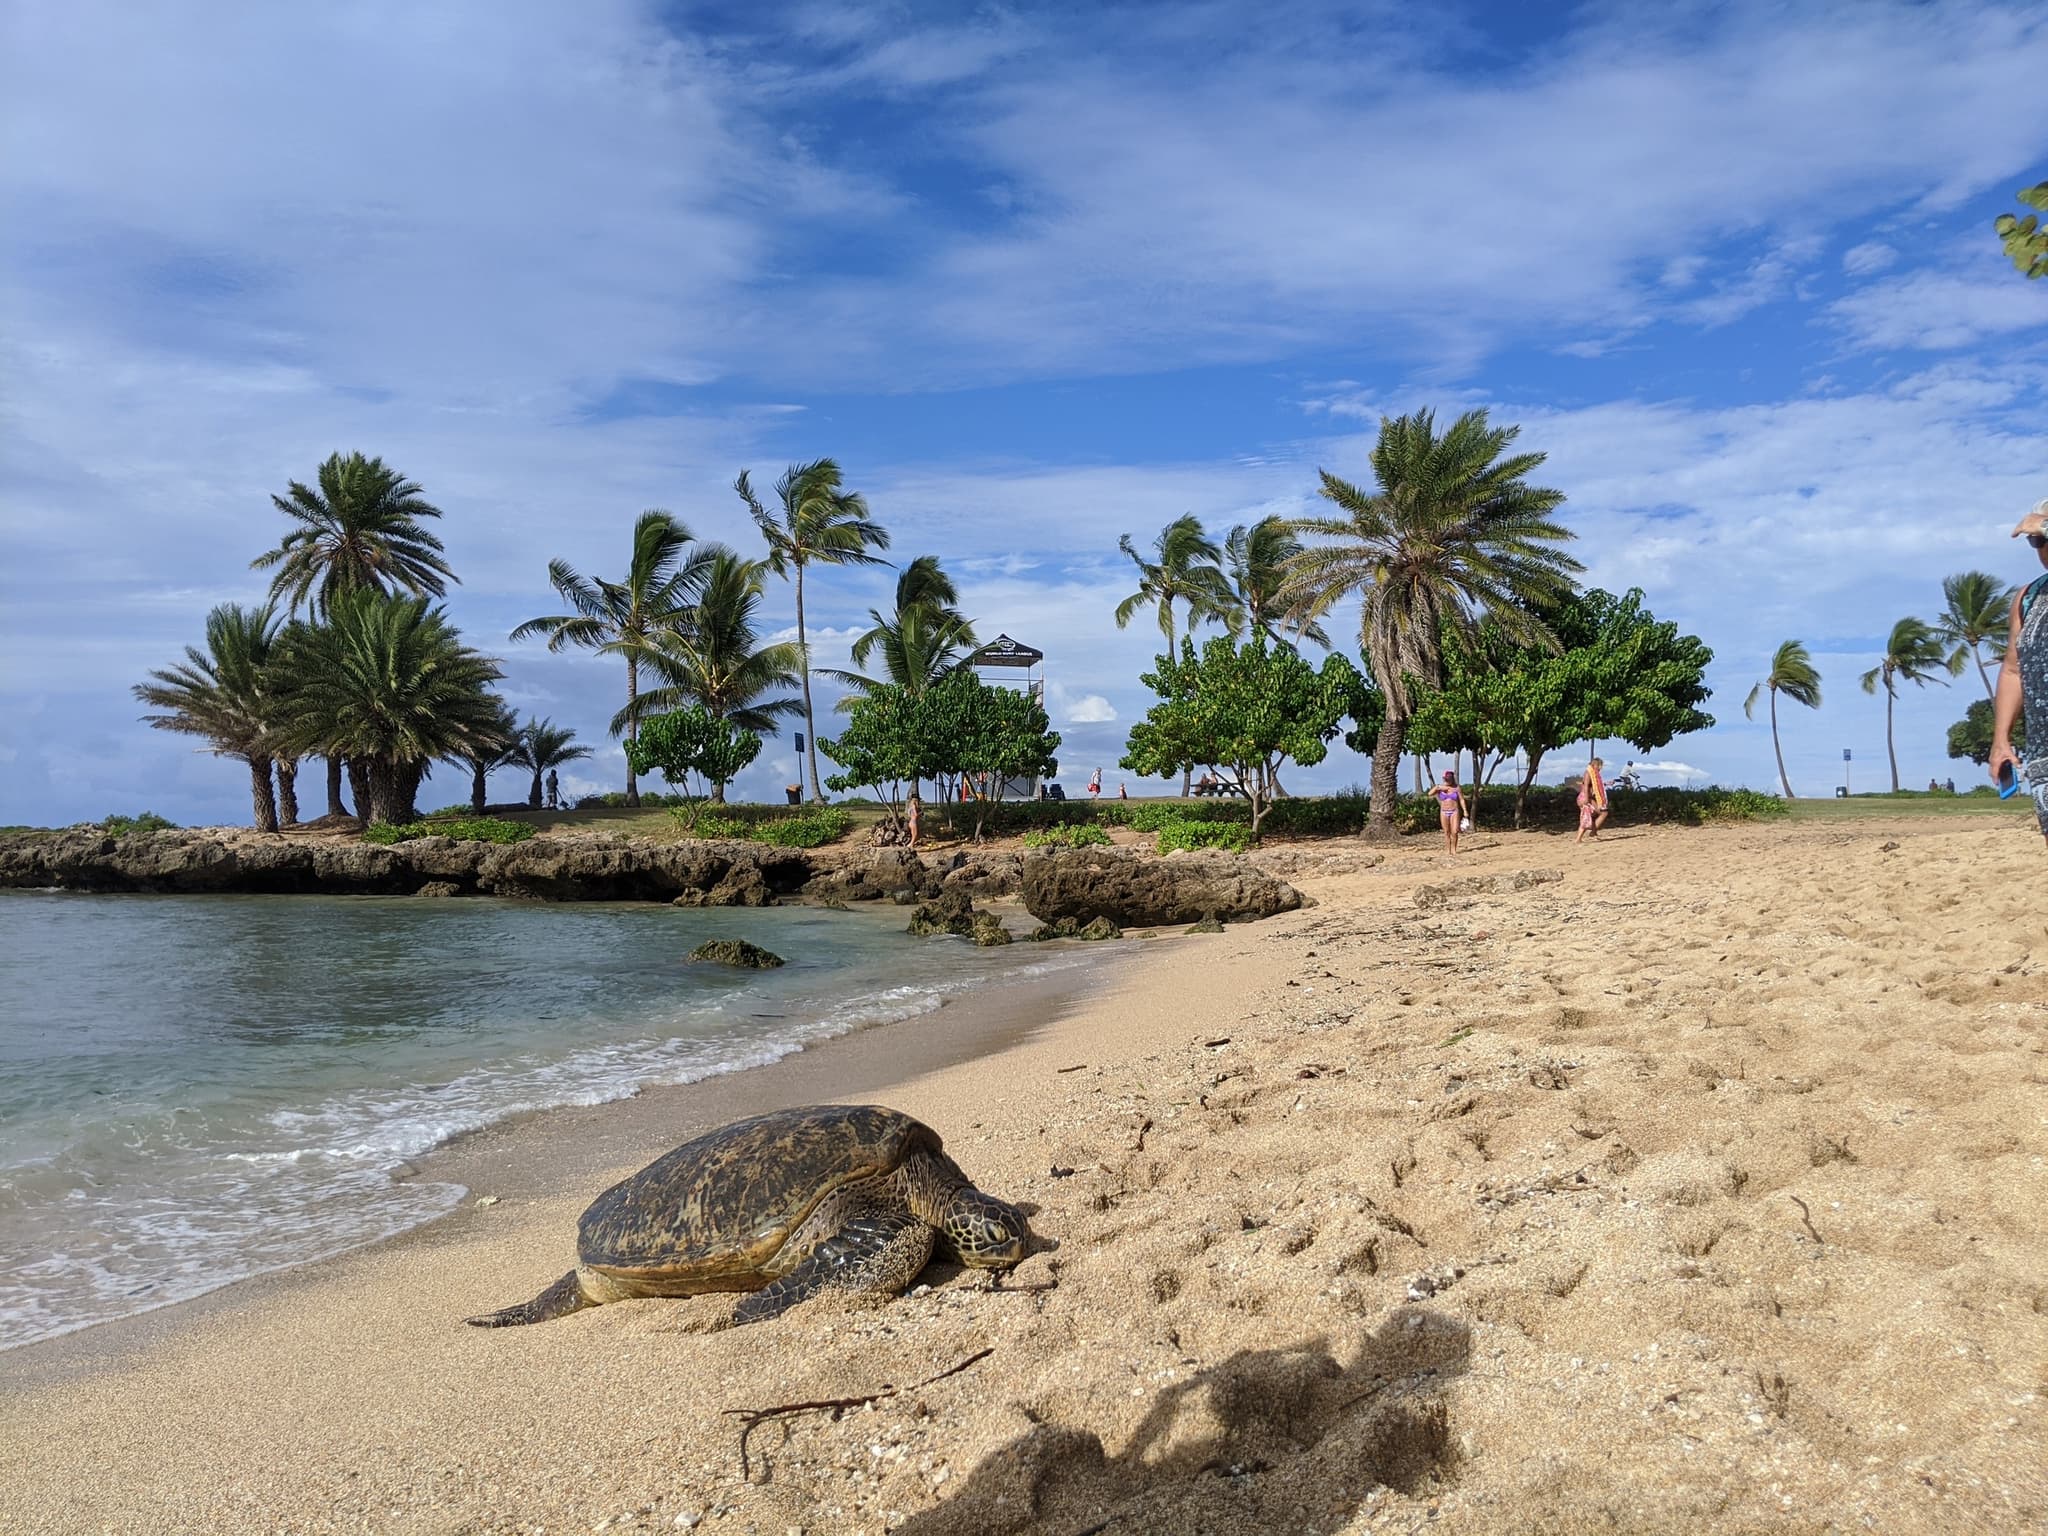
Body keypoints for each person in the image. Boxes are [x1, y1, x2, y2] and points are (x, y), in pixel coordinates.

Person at [1990, 497, 2048, 843]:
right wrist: (2001, 740)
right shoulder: (2028, 599)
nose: (2043, 548)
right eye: (2037, 541)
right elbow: (2013, 671)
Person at [1575, 757, 1609, 845]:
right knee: (1602, 813)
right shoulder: (1588, 773)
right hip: (1585, 797)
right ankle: (1590, 833)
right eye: (1600, 766)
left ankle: (1591, 833)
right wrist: (1586, 798)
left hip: (1587, 797)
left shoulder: (1592, 773)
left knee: (1589, 816)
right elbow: (1586, 786)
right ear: (1595, 765)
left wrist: (1607, 783)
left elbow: (1593, 785)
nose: (1600, 768)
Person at [1433, 769, 1464, 855]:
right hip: (1444, 811)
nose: (1447, 780)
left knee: (1454, 831)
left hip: (1454, 811)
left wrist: (1465, 811)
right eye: (1445, 779)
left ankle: (1454, 849)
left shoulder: (1457, 788)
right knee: (1446, 832)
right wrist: (1437, 787)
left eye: (1449, 778)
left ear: (1452, 778)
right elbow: (1430, 793)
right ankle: (1448, 850)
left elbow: (1461, 800)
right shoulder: (1440, 788)